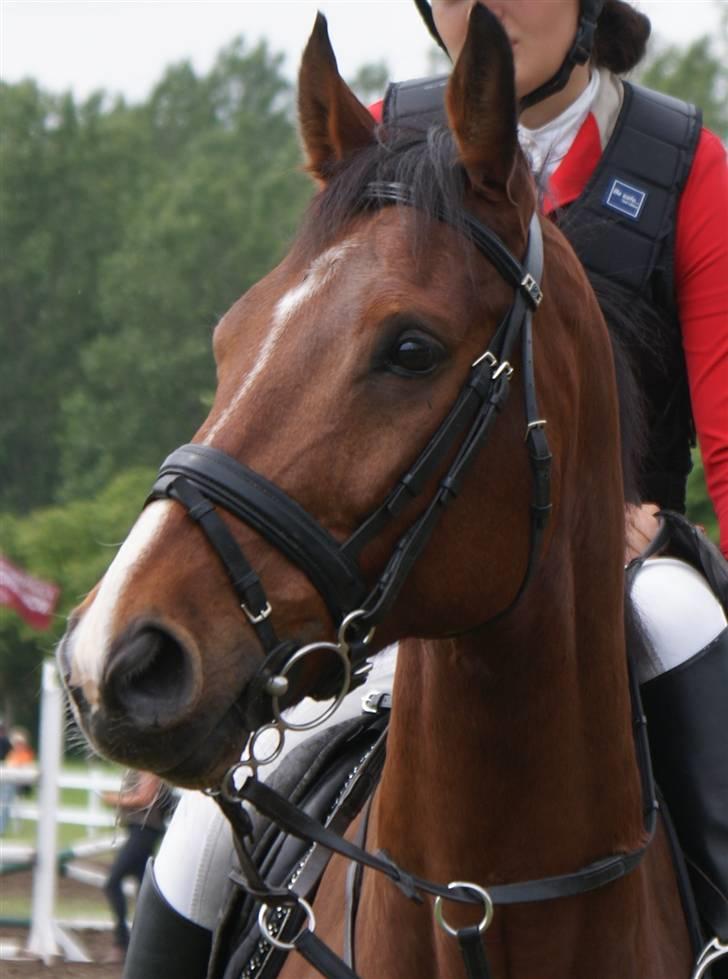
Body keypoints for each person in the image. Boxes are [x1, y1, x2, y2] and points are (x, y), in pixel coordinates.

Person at [122, 3, 728, 976]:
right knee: (197, 836)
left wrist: (645, 527)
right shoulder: (377, 136)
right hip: (405, 568)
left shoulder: (684, 166)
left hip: (619, 563)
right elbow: (299, 386)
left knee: (680, 610)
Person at [101, 769, 169, 963]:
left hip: (144, 831)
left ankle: (121, 942)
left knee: (113, 882)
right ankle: (144, 946)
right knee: (143, 890)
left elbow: (145, 798)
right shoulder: (147, 765)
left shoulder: (149, 767)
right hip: (141, 830)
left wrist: (114, 800)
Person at [0, 727, 36, 835]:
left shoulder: (26, 754)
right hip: (9, 783)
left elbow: (26, 769)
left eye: (19, 743)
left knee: (6, 803)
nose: (17, 745)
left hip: (18, 785)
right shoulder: (12, 754)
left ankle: (2, 827)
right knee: (6, 804)